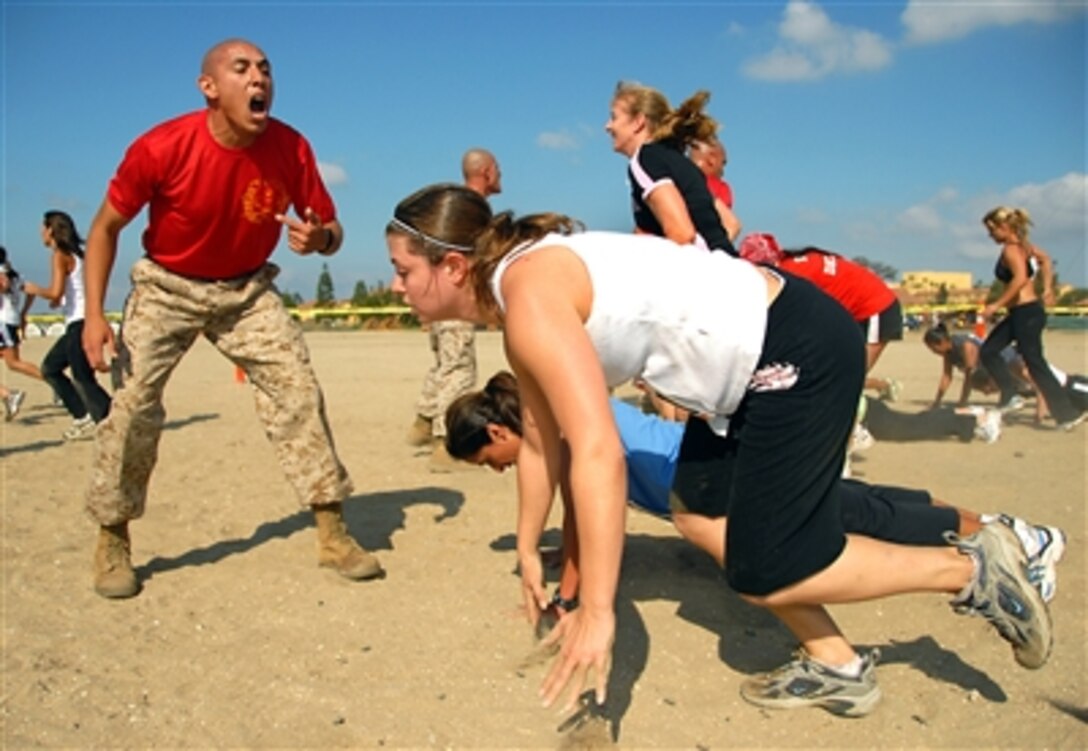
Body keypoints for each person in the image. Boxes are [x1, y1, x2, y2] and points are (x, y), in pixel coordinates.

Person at [386, 183, 1053, 719]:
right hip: (744, 373)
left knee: (765, 568)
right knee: (700, 514)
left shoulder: (528, 297)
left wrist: (597, 612)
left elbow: (597, 452)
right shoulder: (519, 290)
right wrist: (529, 548)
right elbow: (539, 444)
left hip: (796, 348)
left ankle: (970, 571)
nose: (396, 286)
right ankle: (838, 667)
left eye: (402, 270)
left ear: (451, 265)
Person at [79, 38, 382, 599]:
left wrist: (320, 239)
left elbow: (333, 232)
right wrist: (94, 315)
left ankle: (332, 531)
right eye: (241, 69)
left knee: (298, 390)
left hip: (246, 288)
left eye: (265, 69)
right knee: (133, 405)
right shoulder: (162, 146)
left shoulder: (291, 148)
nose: (258, 79)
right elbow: (103, 229)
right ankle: (112, 537)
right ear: (210, 88)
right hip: (168, 285)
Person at [445, 372, 1063, 615]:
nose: (500, 471)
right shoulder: (557, 407)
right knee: (858, 504)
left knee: (857, 515)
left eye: (490, 461)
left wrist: (570, 599)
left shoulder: (554, 429)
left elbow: (582, 518)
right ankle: (997, 527)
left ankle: (1016, 537)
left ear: (499, 432)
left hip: (727, 481)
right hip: (721, 470)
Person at [405, 148, 501, 470]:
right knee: (459, 370)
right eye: (498, 170)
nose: (501, 177)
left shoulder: (447, 207)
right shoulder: (475, 212)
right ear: (486, 172)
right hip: (456, 300)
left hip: (439, 298)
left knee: (445, 364)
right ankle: (443, 444)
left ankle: (422, 420)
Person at [740, 233, 904, 400]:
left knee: (847, 379)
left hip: (874, 308)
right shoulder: (795, 263)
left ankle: (856, 421)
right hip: (863, 308)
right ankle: (881, 386)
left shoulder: (788, 276)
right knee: (836, 373)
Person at [978, 206, 1083, 430]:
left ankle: (1066, 413)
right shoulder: (1025, 248)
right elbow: (1045, 260)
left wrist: (996, 304)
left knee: (1035, 364)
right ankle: (1011, 395)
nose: (991, 235)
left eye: (992, 230)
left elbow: (1019, 279)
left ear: (1005, 227)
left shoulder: (1011, 250)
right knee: (989, 350)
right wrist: (1047, 288)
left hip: (1026, 313)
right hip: (1021, 313)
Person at [606, 82, 740, 252]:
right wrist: (721, 255)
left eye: (614, 117)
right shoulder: (678, 161)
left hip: (707, 273)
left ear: (638, 122)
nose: (608, 126)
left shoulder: (644, 159)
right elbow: (730, 223)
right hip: (729, 267)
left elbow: (682, 234)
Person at [21, 212, 112, 439]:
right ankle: (85, 417)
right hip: (80, 319)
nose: (41, 233)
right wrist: (58, 301)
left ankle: (108, 418)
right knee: (53, 369)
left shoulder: (60, 255)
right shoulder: (78, 254)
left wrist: (35, 290)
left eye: (43, 227)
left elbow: (55, 290)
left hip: (79, 322)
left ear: (51, 229)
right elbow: (70, 291)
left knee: (80, 377)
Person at [0, 246, 44, 420]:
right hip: (10, 321)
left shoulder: (4, 274)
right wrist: (24, 312)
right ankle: (57, 384)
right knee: (13, 363)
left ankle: (9, 396)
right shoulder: (14, 274)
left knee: (14, 363)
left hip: (2, 323)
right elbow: (31, 291)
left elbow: (3, 285)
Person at [688, 136, 733, 209]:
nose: (723, 171)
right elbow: (723, 217)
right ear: (712, 159)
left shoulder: (673, 181)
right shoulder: (721, 188)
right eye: (722, 163)